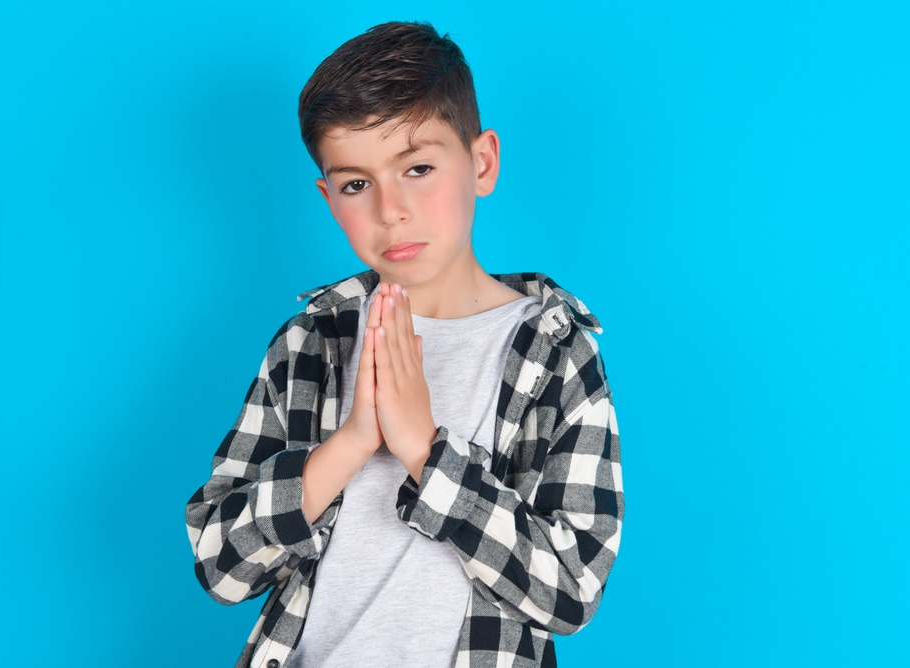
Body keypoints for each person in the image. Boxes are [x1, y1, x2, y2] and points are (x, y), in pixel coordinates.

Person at [185, 21, 624, 668]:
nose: (390, 209)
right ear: (328, 196)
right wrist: (352, 441)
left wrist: (425, 450)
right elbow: (220, 565)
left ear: (481, 163)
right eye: (356, 184)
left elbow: (571, 591)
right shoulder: (310, 344)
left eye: (418, 168)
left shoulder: (553, 353)